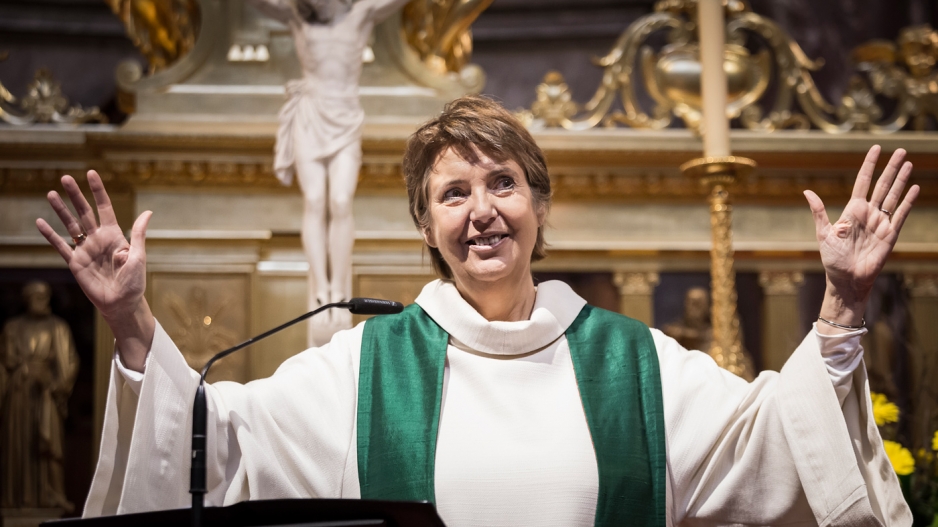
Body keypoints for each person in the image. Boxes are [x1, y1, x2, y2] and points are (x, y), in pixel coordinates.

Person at [36, 96, 918, 525]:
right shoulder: (369, 366)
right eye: (453, 193)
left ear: (540, 207)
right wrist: (131, 322)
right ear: (427, 226)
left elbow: (772, 443)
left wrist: (842, 302)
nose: (482, 210)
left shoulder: (632, 361)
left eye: (503, 183)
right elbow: (215, 443)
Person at [247, 0, 411, 337]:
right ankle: (321, 286)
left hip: (346, 117)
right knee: (314, 200)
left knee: (340, 200)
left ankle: (338, 285)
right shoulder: (297, 16)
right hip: (310, 115)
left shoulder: (361, 14)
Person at [1, 281, 79, 511]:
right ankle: (17, 497)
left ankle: (52, 494)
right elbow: (5, 362)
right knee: (19, 444)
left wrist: (57, 385)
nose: (43, 301)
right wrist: (23, 370)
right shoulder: (12, 327)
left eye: (45, 296)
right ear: (27, 300)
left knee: (50, 444)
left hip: (47, 393)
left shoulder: (58, 327)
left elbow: (70, 361)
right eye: (37, 297)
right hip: (19, 394)